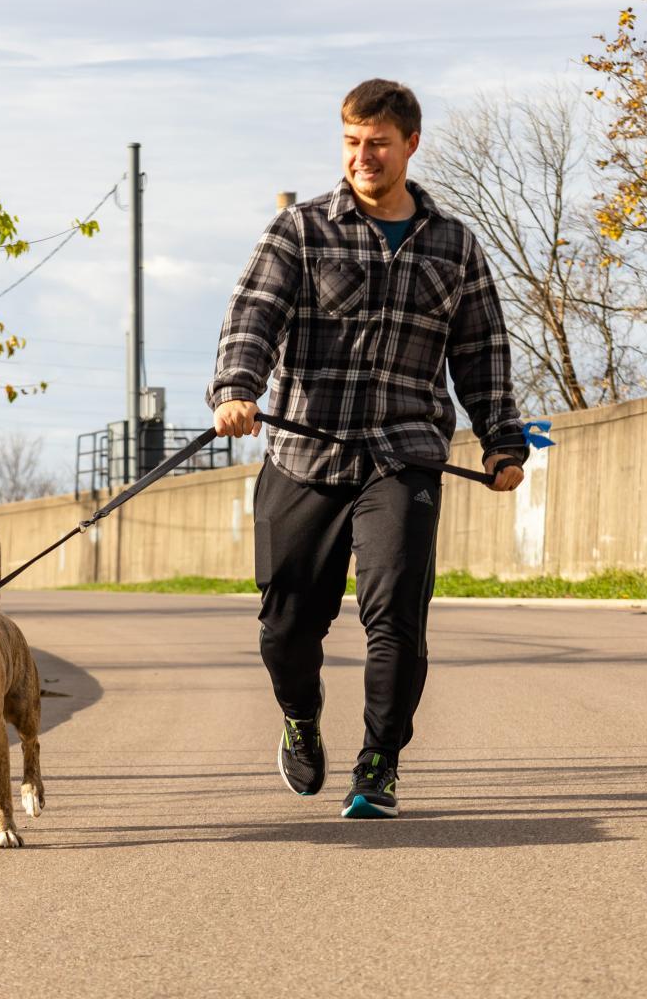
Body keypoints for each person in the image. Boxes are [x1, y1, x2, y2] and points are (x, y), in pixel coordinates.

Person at [207, 78, 528, 819]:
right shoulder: (301, 231)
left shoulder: (455, 245)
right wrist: (236, 388)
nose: (363, 156)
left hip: (402, 454)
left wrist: (501, 443)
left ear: (410, 144)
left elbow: (482, 353)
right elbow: (252, 316)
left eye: (378, 143)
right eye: (351, 142)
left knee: (396, 620)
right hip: (303, 453)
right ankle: (299, 717)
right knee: (287, 624)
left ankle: (379, 763)